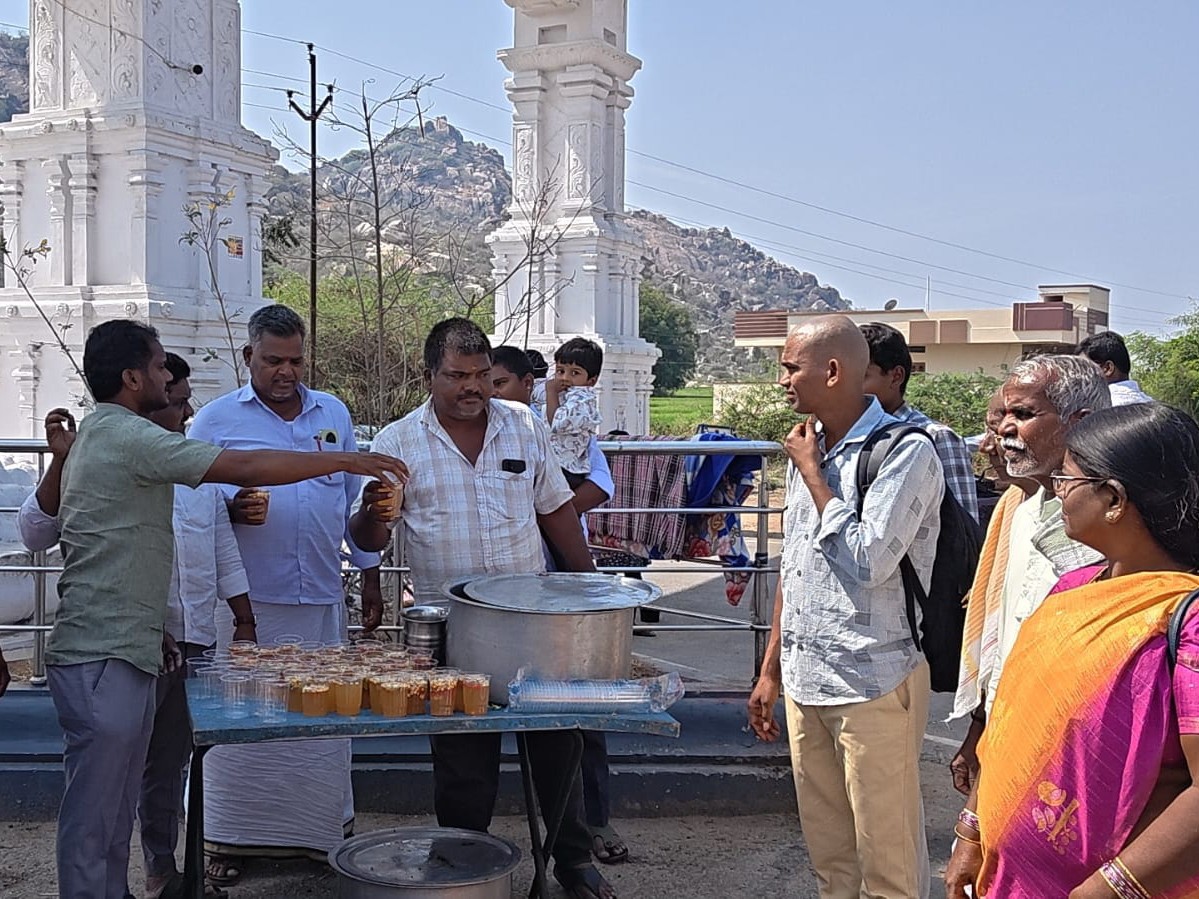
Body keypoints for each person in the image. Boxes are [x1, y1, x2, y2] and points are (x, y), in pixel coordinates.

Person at [19, 319, 406, 899]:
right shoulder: (127, 435)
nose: (168, 380)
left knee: (118, 794)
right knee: (97, 806)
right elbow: (242, 468)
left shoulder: (112, 435)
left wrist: (161, 629)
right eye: (157, 369)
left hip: (135, 639)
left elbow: (148, 549)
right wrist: (345, 463)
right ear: (130, 379)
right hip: (102, 650)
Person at [349, 319, 618, 899]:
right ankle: (462, 873)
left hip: (534, 626)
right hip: (452, 632)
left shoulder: (522, 424)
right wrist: (374, 510)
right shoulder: (397, 443)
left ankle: (571, 861)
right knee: (464, 764)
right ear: (430, 376)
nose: (472, 387)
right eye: (457, 376)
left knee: (557, 744)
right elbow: (367, 541)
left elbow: (555, 513)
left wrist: (595, 595)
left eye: (479, 376)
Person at [18, 356, 255, 899]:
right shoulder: (99, 455)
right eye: (178, 398)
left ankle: (157, 870)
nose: (187, 409)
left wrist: (244, 620)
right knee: (104, 790)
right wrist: (60, 461)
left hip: (181, 641)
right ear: (144, 392)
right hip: (115, 647)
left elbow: (220, 549)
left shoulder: (192, 468)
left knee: (159, 768)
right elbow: (34, 533)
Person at [946, 403, 1199, 897]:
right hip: (1008, 880)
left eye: (1067, 478)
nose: (1058, 490)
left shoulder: (1185, 620)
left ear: (1113, 499)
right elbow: (1011, 724)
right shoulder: (1074, 588)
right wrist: (970, 833)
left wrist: (1104, 889)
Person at [186, 304, 387, 882]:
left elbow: (353, 506)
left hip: (322, 598)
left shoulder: (333, 414)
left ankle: (318, 839)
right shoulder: (216, 420)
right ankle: (222, 842)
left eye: (296, 360)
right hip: (242, 609)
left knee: (318, 726)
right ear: (248, 357)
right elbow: (192, 506)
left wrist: (369, 572)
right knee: (238, 728)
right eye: (273, 360)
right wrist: (228, 507)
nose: (286, 372)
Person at [747, 315, 945, 899]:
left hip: (874, 682)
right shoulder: (808, 445)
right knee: (832, 860)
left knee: (888, 865)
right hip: (810, 684)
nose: (782, 379)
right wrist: (770, 670)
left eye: (791, 366)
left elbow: (869, 561)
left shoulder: (906, 452)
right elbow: (797, 568)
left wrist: (813, 477)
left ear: (832, 371)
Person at [491, 345, 628, 865]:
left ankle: (590, 826)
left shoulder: (562, 429)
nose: (491, 392)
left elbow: (600, 485)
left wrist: (548, 511)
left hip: (563, 578)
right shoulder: (488, 433)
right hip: (509, 596)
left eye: (500, 383)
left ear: (527, 383)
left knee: (577, 710)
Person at [949, 356, 1110, 796]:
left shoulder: (1113, 527)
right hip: (1009, 735)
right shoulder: (1021, 508)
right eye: (1003, 415)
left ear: (1082, 423)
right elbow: (1006, 641)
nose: (1002, 431)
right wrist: (979, 730)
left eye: (1023, 415)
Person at [859, 322, 979, 522]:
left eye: (861, 376)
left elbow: (964, 529)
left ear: (896, 377)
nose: (848, 387)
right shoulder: (849, 436)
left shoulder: (935, 437)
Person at [545, 337, 604, 489]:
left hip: (566, 469)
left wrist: (550, 391)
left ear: (591, 381)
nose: (565, 378)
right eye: (560, 371)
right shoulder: (564, 394)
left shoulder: (582, 400)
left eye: (575, 373)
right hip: (554, 464)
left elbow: (557, 424)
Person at [1077, 330, 1153, 405]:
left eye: (1084, 368)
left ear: (1107, 368)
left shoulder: (1098, 409)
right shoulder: (1153, 406)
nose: (1079, 376)